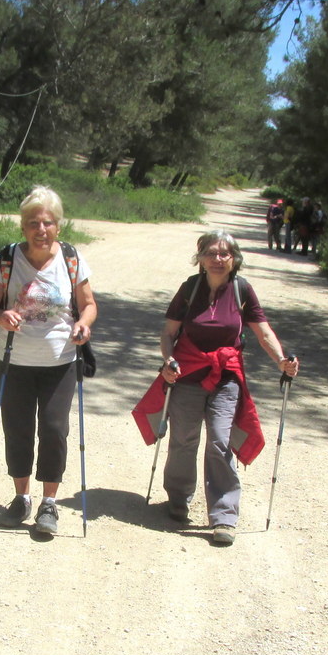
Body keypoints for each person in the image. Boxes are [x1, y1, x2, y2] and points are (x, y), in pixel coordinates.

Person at [133, 230, 299, 546]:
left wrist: (282, 361)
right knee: (183, 439)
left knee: (221, 441)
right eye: (212, 252)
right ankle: (178, 499)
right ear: (201, 258)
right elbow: (168, 333)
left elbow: (263, 333)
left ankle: (224, 516)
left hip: (226, 378)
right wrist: (168, 361)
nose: (218, 259)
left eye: (225, 253)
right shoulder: (190, 289)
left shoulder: (242, 290)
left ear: (234, 259)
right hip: (188, 374)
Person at [0, 186, 98, 535]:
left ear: (58, 226)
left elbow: (89, 304)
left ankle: (49, 503)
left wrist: (82, 324)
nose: (40, 229)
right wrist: (0, 317)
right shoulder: (7, 260)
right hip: (14, 359)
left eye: (47, 223)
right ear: (23, 226)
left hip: (60, 359)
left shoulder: (72, 259)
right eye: (33, 223)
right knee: (17, 429)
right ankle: (21, 497)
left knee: (55, 429)